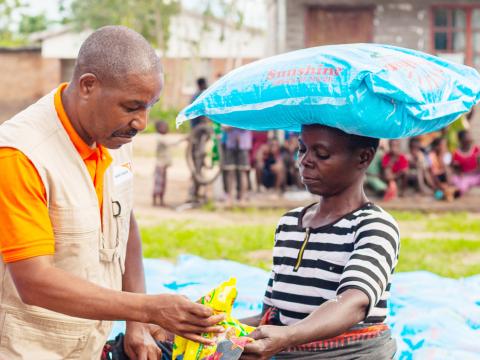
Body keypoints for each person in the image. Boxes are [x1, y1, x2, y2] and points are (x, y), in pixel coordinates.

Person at [0, 26, 224, 360]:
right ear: (88, 85)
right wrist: (149, 309)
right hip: (30, 347)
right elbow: (34, 281)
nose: (142, 122)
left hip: (89, 343)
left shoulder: (113, 136)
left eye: (150, 106)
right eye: (132, 106)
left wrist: (135, 323)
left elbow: (124, 226)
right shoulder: (21, 156)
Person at [241, 124, 399, 359]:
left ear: (363, 158)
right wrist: (215, 327)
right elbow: (274, 314)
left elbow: (353, 303)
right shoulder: (289, 223)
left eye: (321, 154)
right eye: (302, 149)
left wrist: (288, 337)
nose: (305, 161)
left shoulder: (373, 226)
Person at [222, 126, 253, 205]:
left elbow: (246, 124)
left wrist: (233, 125)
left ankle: (242, 198)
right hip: (231, 143)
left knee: (243, 171)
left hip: (243, 144)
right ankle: (229, 198)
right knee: (230, 170)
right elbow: (224, 127)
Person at [427, 137, 459, 201]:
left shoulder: (447, 155)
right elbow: (432, 172)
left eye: (445, 145)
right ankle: (442, 190)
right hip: (435, 178)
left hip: (444, 177)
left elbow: (447, 169)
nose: (444, 147)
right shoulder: (431, 155)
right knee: (431, 174)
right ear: (436, 147)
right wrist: (440, 185)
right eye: (442, 145)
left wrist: (441, 158)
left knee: (448, 169)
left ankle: (448, 188)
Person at [451, 130, 480, 195]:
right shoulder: (456, 153)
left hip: (476, 175)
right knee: (458, 182)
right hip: (465, 177)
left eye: (469, 137)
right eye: (467, 138)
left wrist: (472, 173)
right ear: (461, 140)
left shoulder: (476, 149)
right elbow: (456, 170)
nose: (469, 139)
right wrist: (463, 175)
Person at [152, 120, 172, 207]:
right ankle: (156, 200)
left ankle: (160, 200)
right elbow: (171, 144)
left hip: (163, 165)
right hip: (160, 165)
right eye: (164, 127)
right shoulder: (160, 138)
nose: (166, 128)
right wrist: (183, 139)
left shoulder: (162, 137)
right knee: (159, 183)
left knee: (162, 183)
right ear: (158, 129)